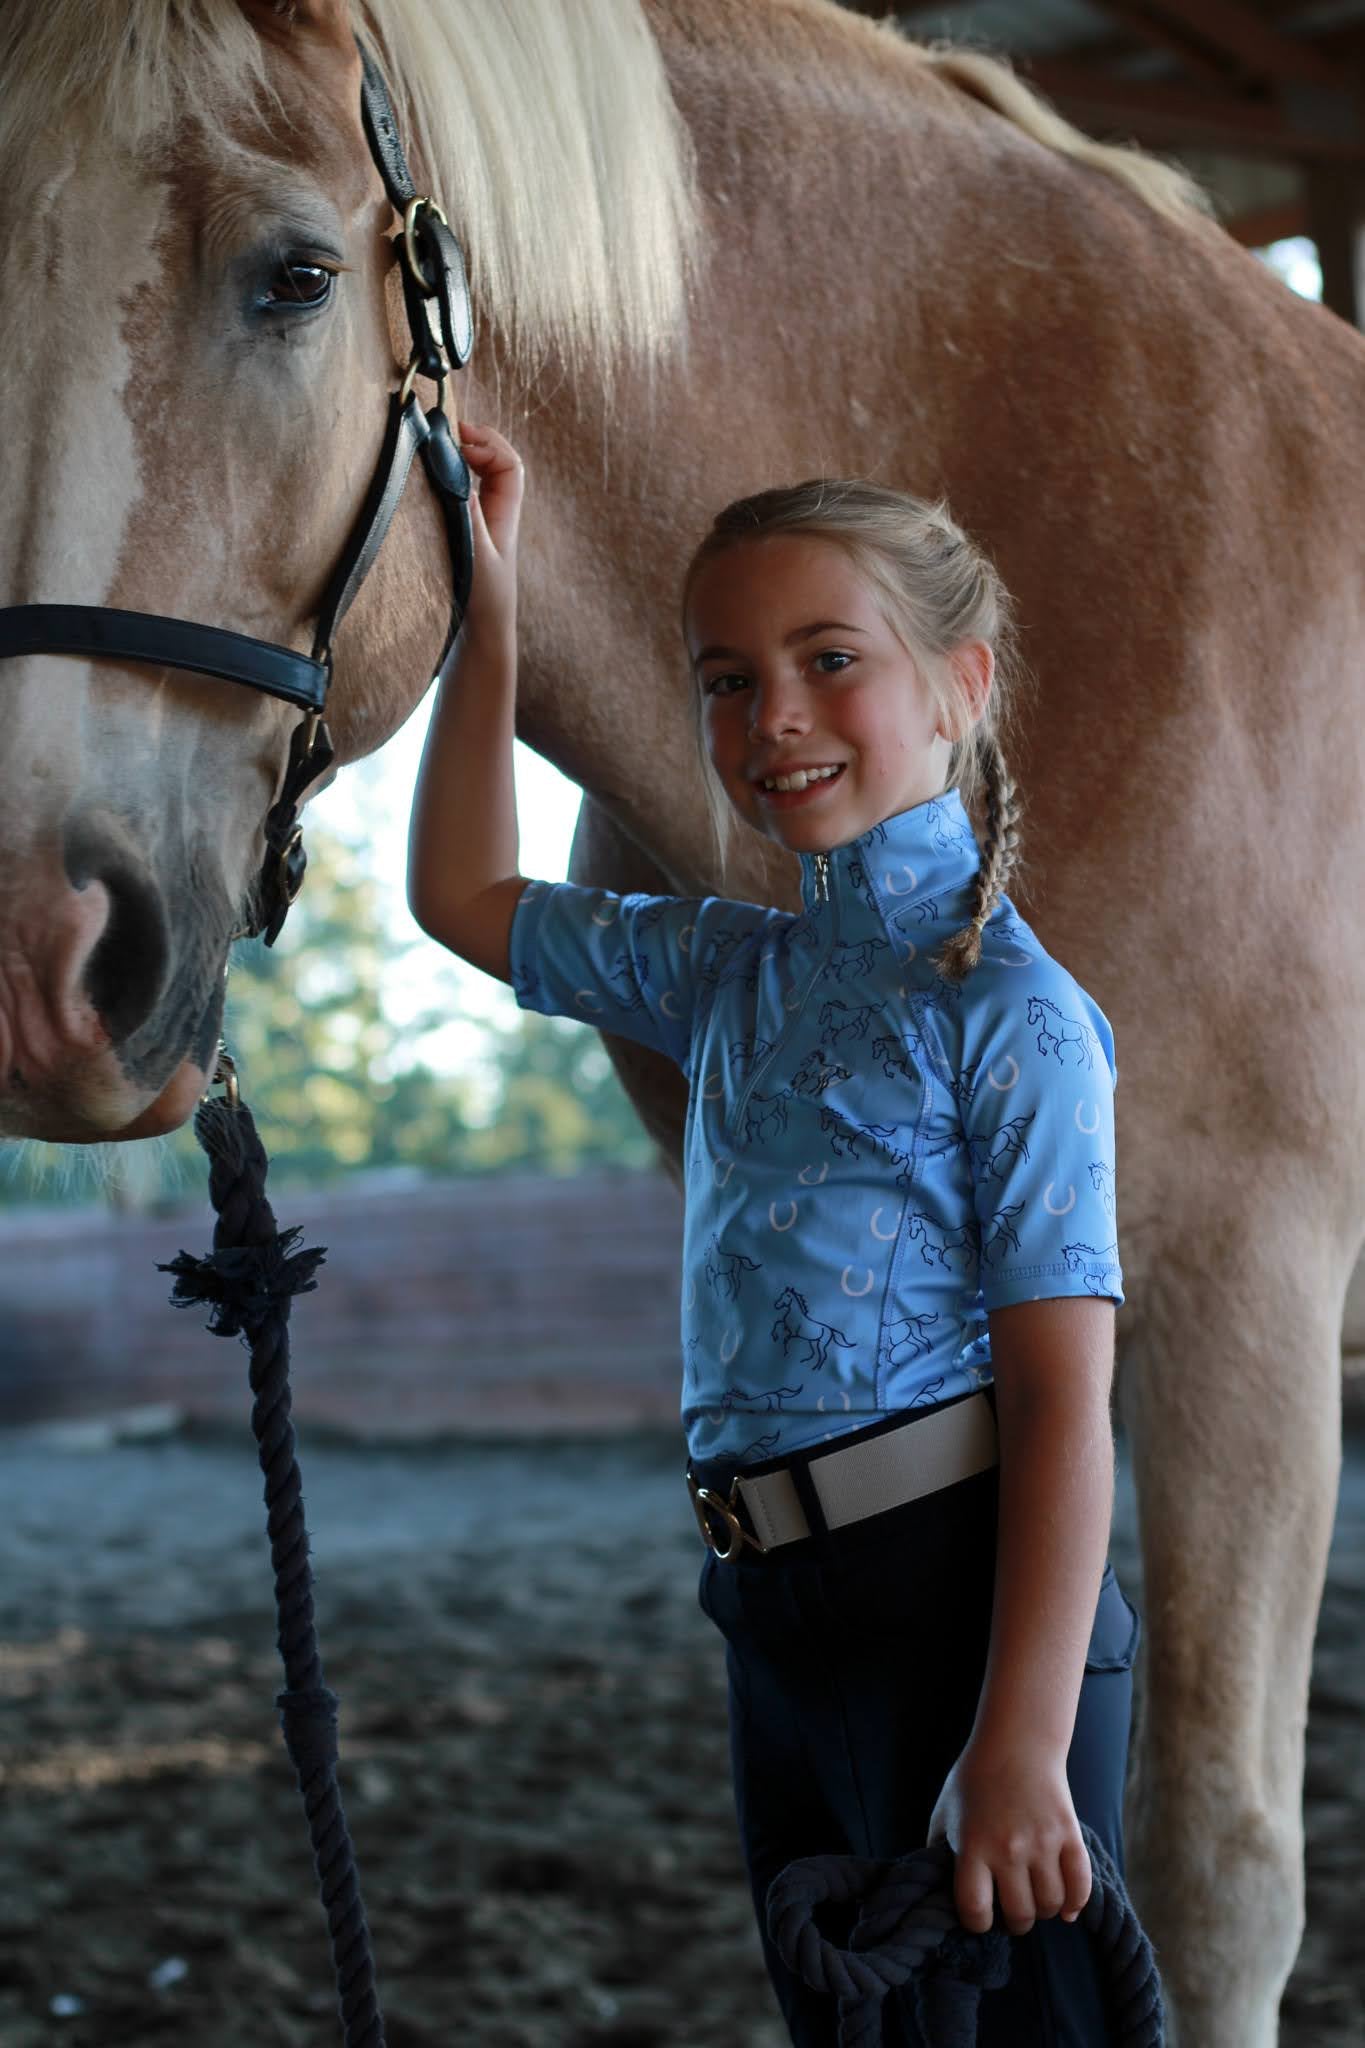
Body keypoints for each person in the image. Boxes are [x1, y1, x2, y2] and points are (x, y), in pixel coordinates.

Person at [408, 421, 1140, 2047]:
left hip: (967, 1610)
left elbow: (1059, 1402)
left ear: (961, 684)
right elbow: (464, 899)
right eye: (724, 677)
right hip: (774, 1605)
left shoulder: (1014, 1017)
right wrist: (493, 610)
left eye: (828, 660)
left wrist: (1015, 1742)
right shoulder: (724, 968)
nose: (773, 717)